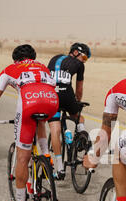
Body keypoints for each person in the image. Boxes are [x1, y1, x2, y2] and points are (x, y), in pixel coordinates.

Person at [0, 44, 58, 201]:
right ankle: (45, 155)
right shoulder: (43, 67)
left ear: (16, 59)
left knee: (22, 157)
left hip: (29, 104)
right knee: (39, 119)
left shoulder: (11, 69)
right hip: (52, 102)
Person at [46, 42, 91, 179]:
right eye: (84, 58)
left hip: (51, 95)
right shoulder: (79, 65)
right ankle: (81, 136)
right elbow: (79, 89)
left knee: (55, 129)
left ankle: (60, 169)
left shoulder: (54, 59)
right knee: (79, 117)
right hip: (67, 95)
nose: (84, 61)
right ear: (76, 52)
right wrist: (77, 101)